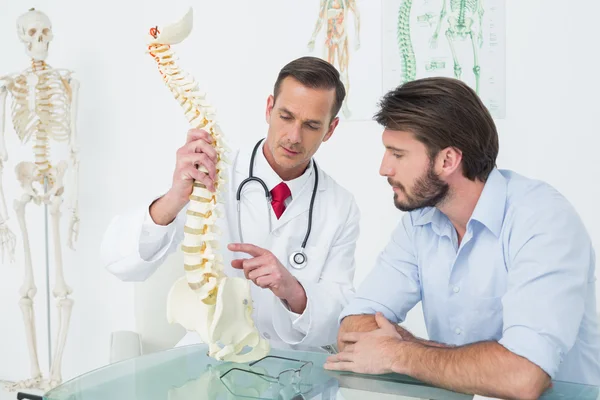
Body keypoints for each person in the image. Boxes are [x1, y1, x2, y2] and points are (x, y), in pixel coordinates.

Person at [325, 77, 600, 399]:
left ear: (448, 160)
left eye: (397, 154)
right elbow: (353, 327)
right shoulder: (420, 222)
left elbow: (522, 377)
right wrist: (454, 361)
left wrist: (398, 353)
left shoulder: (542, 220)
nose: (384, 169)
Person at [100, 56, 360, 353]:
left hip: (292, 365)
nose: (293, 136)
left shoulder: (341, 206)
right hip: (209, 356)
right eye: (286, 117)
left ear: (331, 129)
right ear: (269, 108)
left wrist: (294, 291)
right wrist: (175, 197)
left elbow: (340, 313)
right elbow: (118, 262)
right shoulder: (213, 171)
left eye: (312, 125)